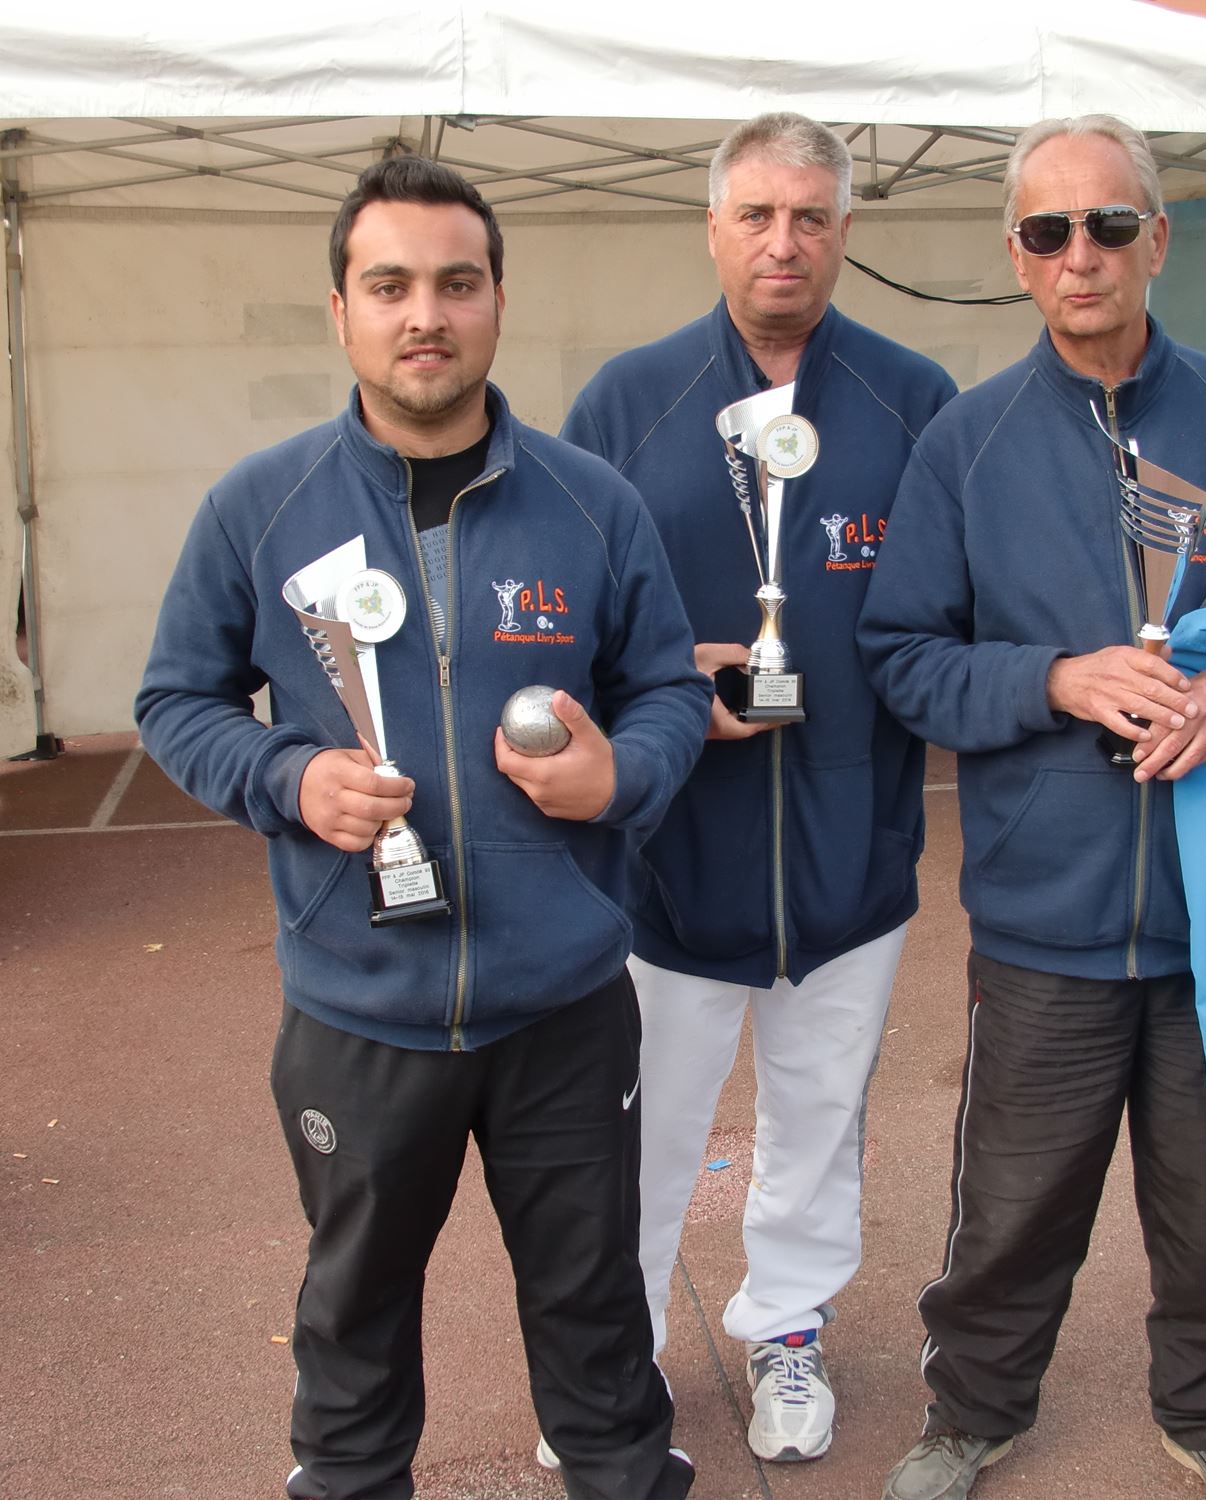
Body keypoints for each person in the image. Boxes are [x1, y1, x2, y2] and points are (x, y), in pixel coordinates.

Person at [135, 156, 710, 1500]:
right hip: (360, 1010)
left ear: (498, 300)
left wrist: (618, 775)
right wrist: (288, 777)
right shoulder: (259, 506)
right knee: (352, 1321)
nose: (425, 315)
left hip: (563, 1006)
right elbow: (175, 701)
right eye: (389, 285)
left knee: (597, 1314)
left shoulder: (591, 502)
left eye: (457, 283)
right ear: (340, 310)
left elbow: (671, 692)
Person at [858, 115, 1206, 1500]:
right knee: (1011, 1208)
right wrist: (1056, 679)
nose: (1079, 255)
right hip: (1047, 916)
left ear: (1157, 237)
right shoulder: (967, 443)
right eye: (1048, 231)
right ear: (1017, 256)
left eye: (1107, 225)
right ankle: (972, 1413)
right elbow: (901, 656)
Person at [561, 112, 958, 1464]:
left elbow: (952, 613)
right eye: (756, 215)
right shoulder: (627, 403)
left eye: (809, 216)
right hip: (666, 865)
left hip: (851, 861)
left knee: (820, 1124)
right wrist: (670, 680)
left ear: (845, 231)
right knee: (638, 1134)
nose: (782, 242)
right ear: (713, 228)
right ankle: (610, 1365)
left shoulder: (912, 401)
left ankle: (788, 1328)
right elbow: (562, 622)